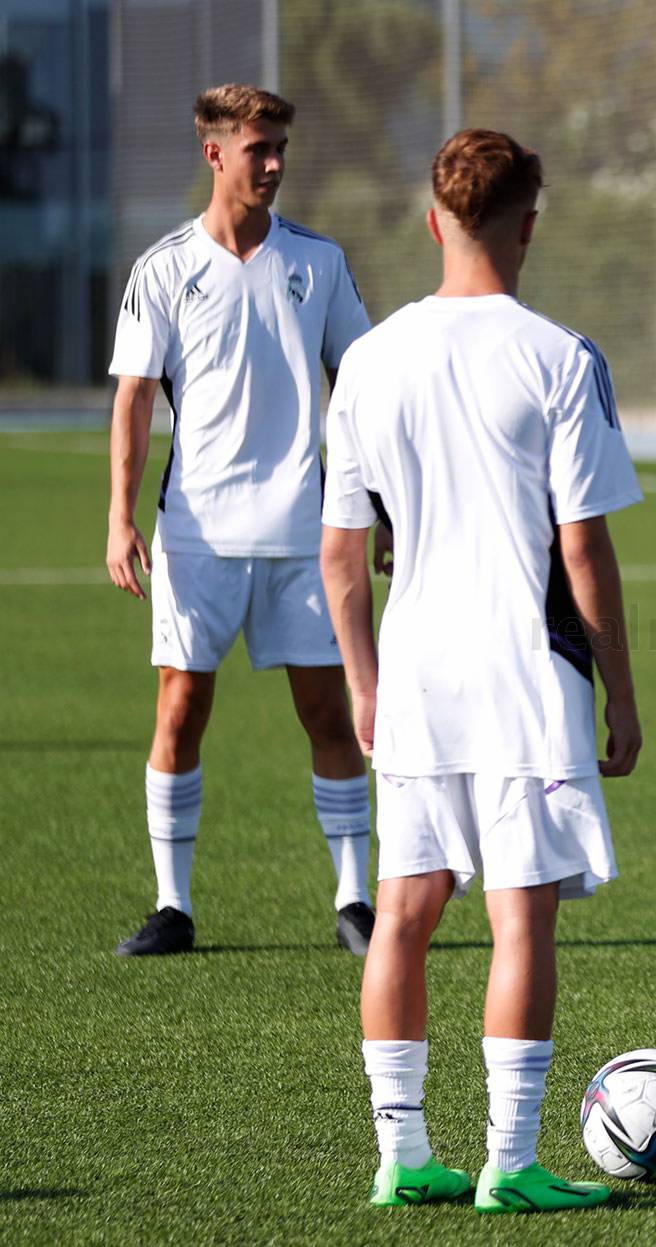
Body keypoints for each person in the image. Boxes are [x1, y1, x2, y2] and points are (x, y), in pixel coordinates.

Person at [320, 128, 643, 1213]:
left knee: (404, 912)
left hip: (413, 678)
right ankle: (510, 1158)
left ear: (433, 220)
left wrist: (364, 681)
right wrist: (625, 694)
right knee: (520, 920)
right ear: (530, 223)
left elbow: (341, 549)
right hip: (524, 681)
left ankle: (402, 1152)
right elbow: (584, 548)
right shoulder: (559, 356)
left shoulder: (369, 359)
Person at [107, 84, 377, 958]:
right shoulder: (163, 268)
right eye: (257, 148)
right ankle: (173, 905)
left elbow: (363, 387)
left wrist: (378, 506)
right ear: (213, 152)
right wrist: (120, 515)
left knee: (328, 716)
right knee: (180, 711)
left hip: (305, 534)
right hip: (197, 537)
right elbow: (135, 399)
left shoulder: (319, 262)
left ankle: (354, 901)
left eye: (280, 148)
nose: (273, 163)